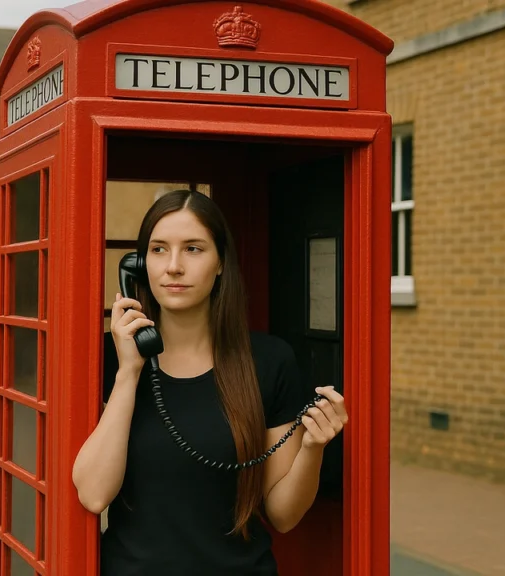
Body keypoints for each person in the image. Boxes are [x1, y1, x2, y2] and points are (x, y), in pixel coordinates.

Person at [72, 189, 349, 575]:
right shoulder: (111, 358)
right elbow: (93, 493)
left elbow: (283, 516)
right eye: (158, 249)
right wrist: (129, 371)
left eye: (193, 249)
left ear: (220, 263)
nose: (173, 266)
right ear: (137, 265)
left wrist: (313, 447)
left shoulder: (268, 361)